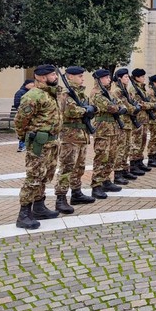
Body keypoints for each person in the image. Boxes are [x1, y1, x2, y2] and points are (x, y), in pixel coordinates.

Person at [14, 64, 64, 229]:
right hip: (39, 143)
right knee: (34, 177)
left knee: (45, 175)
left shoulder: (50, 94)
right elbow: (21, 120)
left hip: (52, 142)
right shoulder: (33, 95)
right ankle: (24, 213)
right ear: (42, 77)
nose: (55, 77)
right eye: (52, 75)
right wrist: (24, 138)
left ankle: (39, 206)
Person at [54, 66, 96, 214]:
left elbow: (87, 109)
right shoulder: (65, 93)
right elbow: (68, 111)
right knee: (67, 167)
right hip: (70, 136)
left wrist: (90, 110)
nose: (82, 78)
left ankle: (76, 193)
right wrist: (86, 110)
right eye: (79, 76)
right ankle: (61, 198)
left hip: (81, 135)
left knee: (79, 167)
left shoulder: (81, 94)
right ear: (70, 77)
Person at [89, 69, 129, 199]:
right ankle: (96, 186)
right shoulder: (96, 93)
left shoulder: (109, 93)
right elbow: (110, 107)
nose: (109, 80)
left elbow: (120, 103)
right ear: (99, 79)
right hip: (103, 130)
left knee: (111, 156)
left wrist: (119, 107)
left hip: (113, 129)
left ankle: (106, 180)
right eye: (106, 78)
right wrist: (118, 108)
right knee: (102, 157)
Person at [113, 68, 146, 177]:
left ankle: (124, 169)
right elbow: (126, 106)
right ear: (119, 79)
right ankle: (118, 173)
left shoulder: (125, 90)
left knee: (126, 147)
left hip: (128, 123)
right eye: (125, 77)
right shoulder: (117, 91)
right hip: (122, 123)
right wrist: (135, 108)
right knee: (121, 148)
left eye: (128, 76)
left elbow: (133, 102)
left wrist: (136, 106)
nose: (128, 78)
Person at [128, 68, 156, 167]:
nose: (143, 78)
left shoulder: (142, 88)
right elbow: (139, 103)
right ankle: (134, 163)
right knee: (136, 142)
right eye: (142, 76)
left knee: (142, 141)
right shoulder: (133, 89)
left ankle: (139, 161)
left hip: (144, 119)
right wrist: (152, 105)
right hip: (138, 118)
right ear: (136, 77)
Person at [13, 79, 35, 152]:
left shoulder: (31, 92)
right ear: (27, 84)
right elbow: (17, 104)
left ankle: (29, 144)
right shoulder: (20, 92)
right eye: (32, 83)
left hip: (31, 115)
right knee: (23, 129)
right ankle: (22, 146)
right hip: (23, 115)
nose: (33, 85)